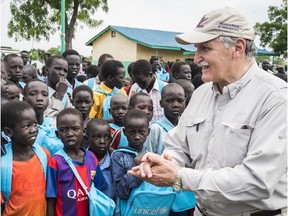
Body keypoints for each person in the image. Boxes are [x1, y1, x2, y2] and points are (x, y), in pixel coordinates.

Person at [129, 6, 287, 216]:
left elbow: (257, 180)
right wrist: (162, 163)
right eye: (196, 49)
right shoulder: (202, 93)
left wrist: (179, 176)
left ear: (238, 48)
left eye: (205, 48)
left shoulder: (276, 98)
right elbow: (178, 146)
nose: (196, 58)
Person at [46, 108, 107, 216]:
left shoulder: (92, 158)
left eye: (75, 129)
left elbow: (99, 189)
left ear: (83, 131)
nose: (70, 134)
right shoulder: (55, 162)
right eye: (64, 130)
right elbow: (51, 199)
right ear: (57, 134)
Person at [1, 101, 50, 215]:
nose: (34, 129)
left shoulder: (44, 155)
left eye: (35, 124)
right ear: (8, 132)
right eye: (27, 126)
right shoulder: (3, 164)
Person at [111, 109, 150, 200]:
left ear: (148, 132)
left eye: (141, 132)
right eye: (132, 132)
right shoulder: (118, 157)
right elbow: (120, 192)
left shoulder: (150, 155)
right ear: (124, 132)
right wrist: (136, 167)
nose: (137, 137)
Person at [23, 79, 63, 155]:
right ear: (24, 99)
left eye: (45, 94)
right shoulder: (19, 128)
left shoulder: (54, 124)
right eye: (33, 94)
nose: (40, 98)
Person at [144, 83, 186, 155]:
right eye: (169, 100)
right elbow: (148, 155)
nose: (175, 105)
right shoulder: (155, 129)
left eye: (180, 100)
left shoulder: (186, 126)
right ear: (161, 103)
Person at [87, 118, 114, 200]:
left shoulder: (114, 162)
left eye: (106, 137)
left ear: (111, 139)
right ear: (87, 138)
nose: (102, 141)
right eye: (96, 137)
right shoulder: (81, 161)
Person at [45, 56, 72, 125]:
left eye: (65, 71)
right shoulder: (41, 93)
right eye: (58, 69)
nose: (62, 73)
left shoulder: (64, 94)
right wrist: (59, 97)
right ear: (46, 70)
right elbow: (46, 120)